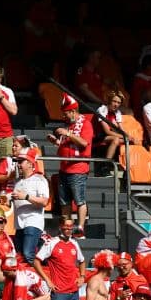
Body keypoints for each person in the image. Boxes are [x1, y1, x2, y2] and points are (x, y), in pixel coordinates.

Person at [48, 94, 93, 237]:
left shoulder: (85, 124)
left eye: (66, 113)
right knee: (64, 201)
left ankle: (79, 227)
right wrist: (56, 142)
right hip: (64, 168)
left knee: (79, 200)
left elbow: (84, 143)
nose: (64, 117)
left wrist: (67, 133)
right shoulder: (71, 126)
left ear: (73, 111)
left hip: (78, 169)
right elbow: (67, 146)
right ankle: (67, 228)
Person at [34, 217, 86, 300]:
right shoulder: (51, 242)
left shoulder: (74, 243)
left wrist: (82, 276)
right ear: (60, 227)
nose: (68, 229)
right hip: (59, 292)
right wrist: (47, 280)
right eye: (66, 227)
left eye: (70, 227)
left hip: (73, 291)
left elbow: (82, 261)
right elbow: (36, 261)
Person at [10, 150, 49, 263]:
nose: (18, 164)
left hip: (33, 222)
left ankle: (37, 277)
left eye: (21, 161)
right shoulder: (18, 181)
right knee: (20, 256)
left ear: (31, 164)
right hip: (19, 224)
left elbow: (44, 202)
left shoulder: (40, 180)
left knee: (28, 254)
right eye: (18, 161)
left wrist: (26, 196)